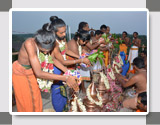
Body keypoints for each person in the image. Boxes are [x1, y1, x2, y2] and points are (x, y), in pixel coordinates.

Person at [12, 24, 79, 112]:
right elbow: (39, 73)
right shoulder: (30, 44)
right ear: (38, 43)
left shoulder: (51, 41)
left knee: (36, 99)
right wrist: (65, 78)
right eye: (43, 50)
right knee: (26, 102)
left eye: (48, 50)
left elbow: (52, 59)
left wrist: (67, 72)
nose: (46, 52)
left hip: (32, 71)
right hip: (21, 73)